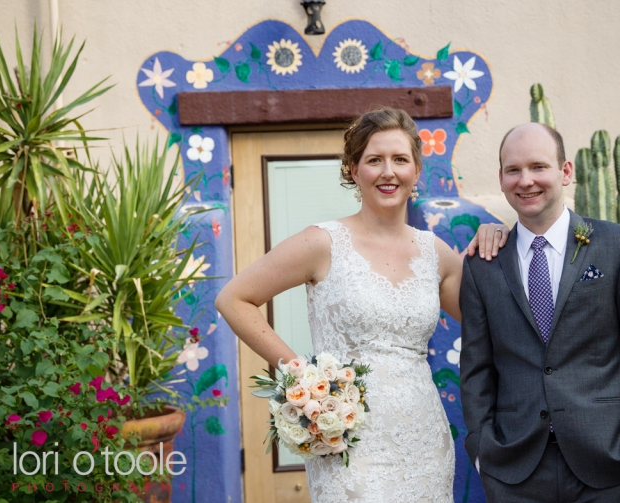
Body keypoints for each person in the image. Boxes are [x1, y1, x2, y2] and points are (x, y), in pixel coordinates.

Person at [215, 107, 502, 503]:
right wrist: (302, 379)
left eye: (400, 160)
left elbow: (495, 324)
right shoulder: (322, 242)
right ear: (353, 169)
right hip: (347, 436)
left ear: (416, 171)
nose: (389, 172)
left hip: (423, 439)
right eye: (374, 160)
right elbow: (233, 299)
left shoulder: (435, 253)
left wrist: (502, 238)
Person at [460, 122, 620, 502]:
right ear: (502, 178)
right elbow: (476, 370)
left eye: (538, 167)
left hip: (610, 464)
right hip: (515, 471)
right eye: (513, 170)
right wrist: (482, 450)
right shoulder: (483, 264)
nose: (526, 181)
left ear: (565, 172)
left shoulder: (617, 246)